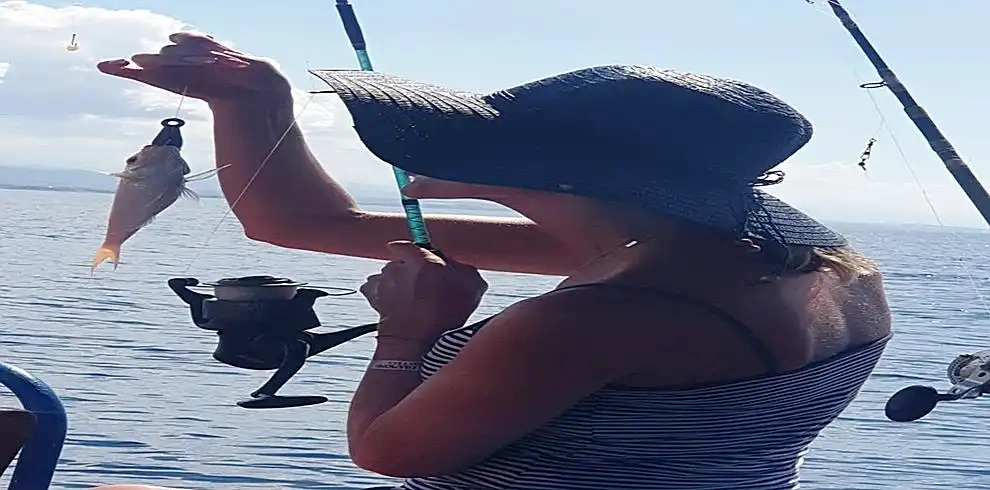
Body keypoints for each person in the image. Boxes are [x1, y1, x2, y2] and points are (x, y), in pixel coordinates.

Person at [92, 33, 892, 490]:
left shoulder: (587, 322)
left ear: (564, 175)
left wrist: (409, 332)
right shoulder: (813, 264)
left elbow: (388, 452)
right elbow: (297, 222)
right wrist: (254, 102)